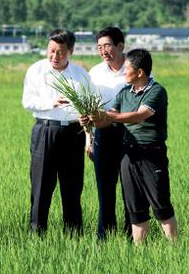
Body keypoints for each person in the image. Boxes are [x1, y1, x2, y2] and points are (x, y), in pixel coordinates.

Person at [88, 48, 178, 244]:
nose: (123, 72)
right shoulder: (124, 92)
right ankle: (139, 250)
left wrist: (106, 115)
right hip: (127, 153)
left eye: (127, 68)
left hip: (151, 153)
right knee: (135, 207)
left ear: (140, 72)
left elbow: (138, 116)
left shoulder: (157, 91)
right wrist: (91, 119)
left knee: (160, 205)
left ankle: (175, 248)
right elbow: (108, 122)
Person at [22, 29, 89, 234]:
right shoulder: (36, 70)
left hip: (73, 133)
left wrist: (89, 137)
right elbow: (27, 102)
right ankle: (37, 235)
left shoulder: (81, 75)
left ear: (71, 51)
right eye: (51, 51)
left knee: (72, 188)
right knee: (41, 188)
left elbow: (87, 106)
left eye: (60, 52)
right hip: (45, 131)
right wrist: (51, 103)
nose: (54, 56)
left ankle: (74, 236)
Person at [87, 26, 132, 239]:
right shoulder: (95, 73)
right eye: (99, 47)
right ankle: (105, 235)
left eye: (108, 46)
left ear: (120, 46)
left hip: (130, 133)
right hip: (103, 133)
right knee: (105, 188)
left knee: (130, 187)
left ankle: (132, 234)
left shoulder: (135, 69)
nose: (104, 51)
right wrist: (89, 139)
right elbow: (87, 109)